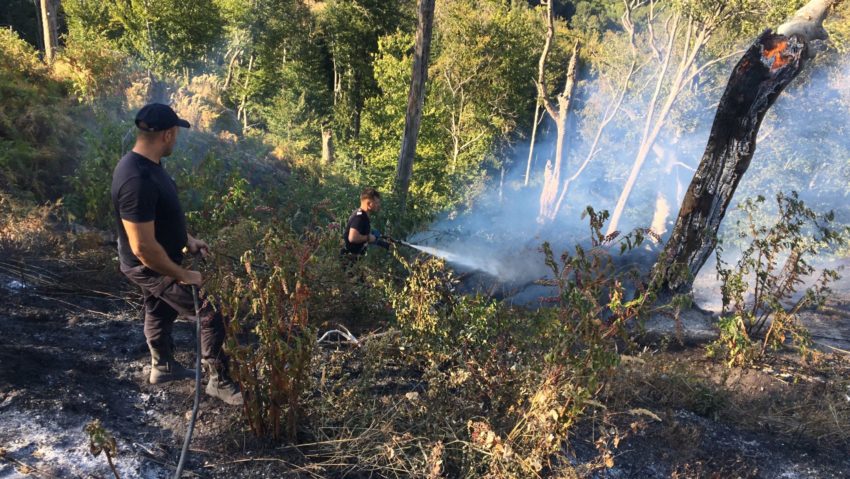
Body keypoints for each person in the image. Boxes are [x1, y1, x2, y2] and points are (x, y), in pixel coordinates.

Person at [111, 103, 242, 405]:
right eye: (177, 134)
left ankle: (163, 367)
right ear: (168, 134)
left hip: (157, 260)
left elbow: (161, 219)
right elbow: (143, 247)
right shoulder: (136, 180)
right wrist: (184, 275)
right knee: (210, 311)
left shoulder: (147, 166)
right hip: (150, 265)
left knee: (159, 308)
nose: (177, 139)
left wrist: (188, 239)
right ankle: (218, 380)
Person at [341, 187, 390, 257]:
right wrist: (368, 237)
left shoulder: (362, 215)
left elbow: (361, 235)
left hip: (353, 259)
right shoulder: (359, 217)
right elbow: (352, 238)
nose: (378, 205)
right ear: (369, 203)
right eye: (376, 203)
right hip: (348, 260)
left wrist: (383, 244)